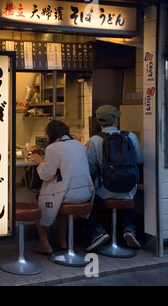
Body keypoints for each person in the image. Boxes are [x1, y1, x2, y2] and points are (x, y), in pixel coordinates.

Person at [81, 105, 144, 251]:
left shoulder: (94, 140)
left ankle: (97, 231)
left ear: (99, 122)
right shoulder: (131, 136)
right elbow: (140, 159)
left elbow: (90, 168)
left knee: (84, 198)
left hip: (105, 190)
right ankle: (128, 229)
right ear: (116, 120)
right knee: (126, 194)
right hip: (129, 188)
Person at [30, 119, 94, 254]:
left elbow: (47, 175)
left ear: (51, 134)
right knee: (60, 201)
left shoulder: (52, 148)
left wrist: (40, 161)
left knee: (35, 202)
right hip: (85, 194)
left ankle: (44, 243)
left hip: (66, 194)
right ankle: (62, 240)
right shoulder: (79, 145)